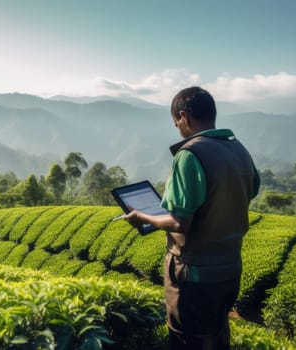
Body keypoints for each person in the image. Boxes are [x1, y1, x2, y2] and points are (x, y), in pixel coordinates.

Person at [123, 86, 260, 349]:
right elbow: (244, 194)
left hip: (194, 275)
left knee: (186, 339)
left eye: (177, 124)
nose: (179, 129)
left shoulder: (190, 154)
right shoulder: (238, 149)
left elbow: (179, 222)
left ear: (184, 117)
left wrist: (143, 217)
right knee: (217, 333)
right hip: (230, 269)